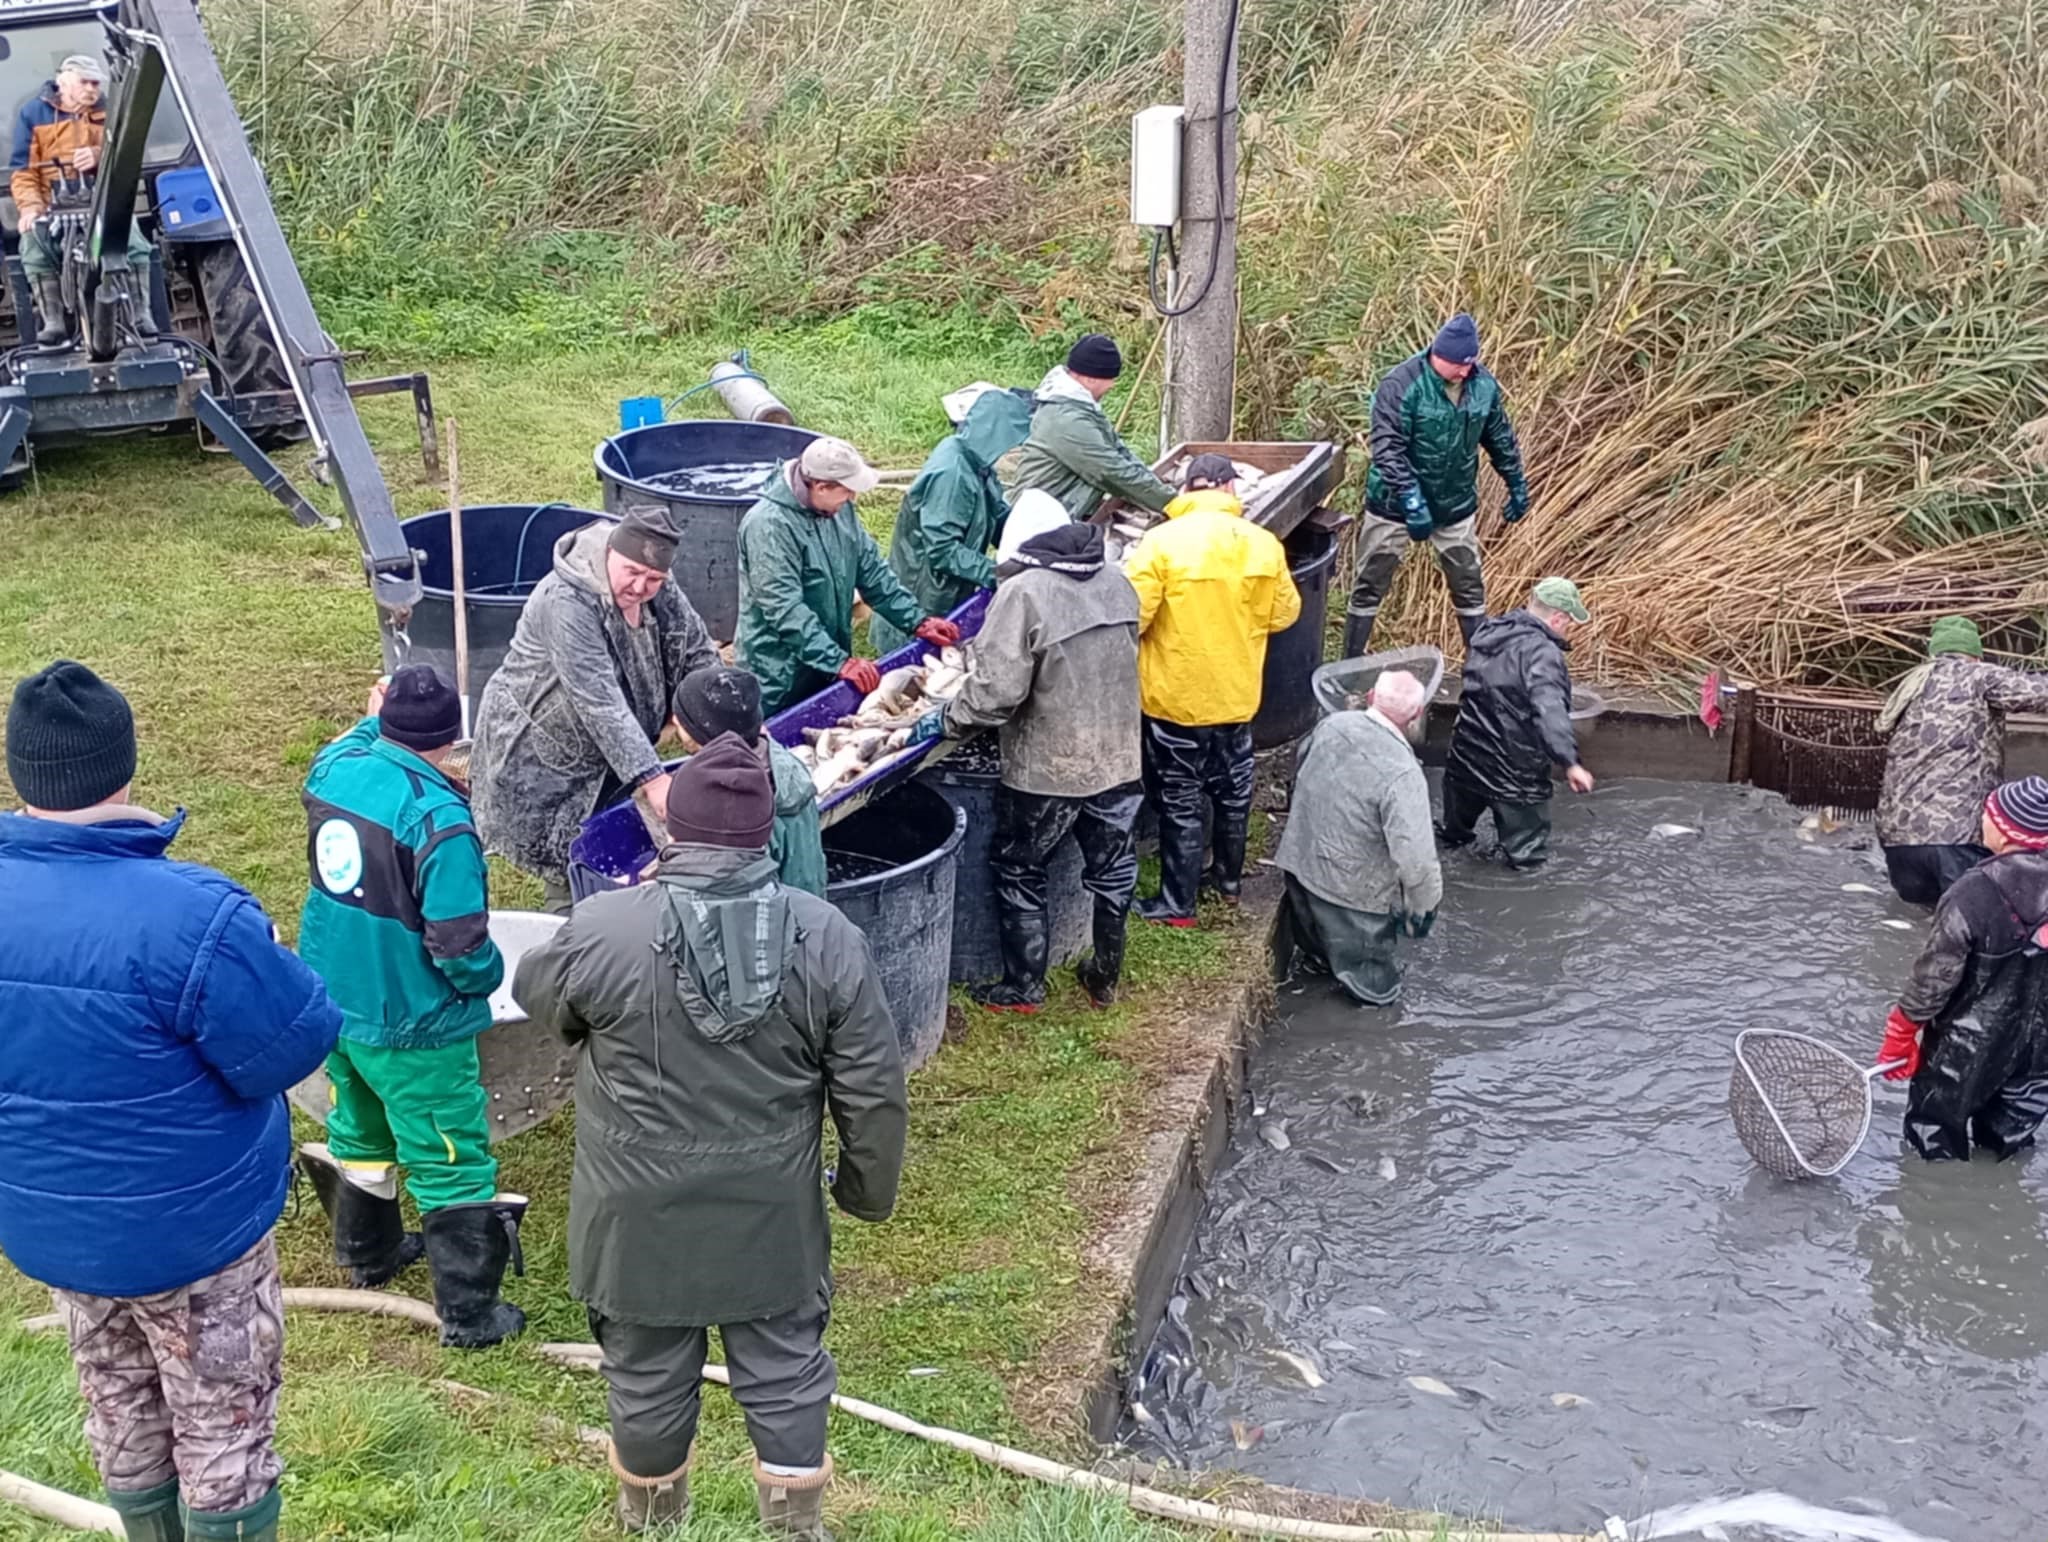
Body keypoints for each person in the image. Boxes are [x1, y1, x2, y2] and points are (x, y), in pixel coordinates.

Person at [512, 736, 907, 1539]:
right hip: (770, 1209)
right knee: (788, 1371)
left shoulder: (604, 926)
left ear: (674, 831)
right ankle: (796, 1530)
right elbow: (872, 1088)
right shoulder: (826, 936)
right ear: (767, 835)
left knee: (647, 1376)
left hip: (635, 1212)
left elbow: (541, 999)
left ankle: (652, 1528)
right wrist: (866, 1193)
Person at [0, 662, 340, 1542]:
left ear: (20, 772)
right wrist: (264, 950)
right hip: (196, 1240)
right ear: (125, 762)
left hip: (55, 1230)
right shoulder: (194, 917)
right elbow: (294, 1047)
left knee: (117, 1403)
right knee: (223, 1429)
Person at [295, 665, 527, 1349]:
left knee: (360, 1126)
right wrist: (487, 978)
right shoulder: (441, 820)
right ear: (454, 740)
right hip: (412, 1021)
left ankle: (367, 1253)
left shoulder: (337, 765)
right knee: (449, 1153)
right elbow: (457, 944)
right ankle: (470, 1315)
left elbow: (359, 735)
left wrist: (378, 711)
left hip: (334, 996)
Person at [938, 488, 1145, 1010]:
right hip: (1119, 756)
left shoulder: (1024, 593)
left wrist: (948, 719)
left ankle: (1024, 987)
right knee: (1113, 868)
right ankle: (1104, 975)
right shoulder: (1118, 579)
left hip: (1048, 767)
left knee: (1019, 866)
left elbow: (996, 694)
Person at [471, 506, 718, 911]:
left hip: (619, 741)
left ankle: (613, 915)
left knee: (612, 834)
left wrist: (718, 716)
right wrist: (652, 779)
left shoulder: (659, 586)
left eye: (653, 579)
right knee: (566, 853)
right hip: (544, 749)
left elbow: (694, 648)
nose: (640, 586)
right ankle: (567, 934)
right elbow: (598, 699)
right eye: (632, 573)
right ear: (609, 555)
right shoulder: (566, 601)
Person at [1127, 453, 1300, 926]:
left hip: (1175, 697)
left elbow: (1136, 618)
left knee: (1180, 797)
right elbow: (1285, 614)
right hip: (1237, 695)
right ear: (1228, 489)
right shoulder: (1264, 544)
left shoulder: (1159, 543)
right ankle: (1227, 882)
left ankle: (1177, 903)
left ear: (1187, 491)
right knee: (1232, 790)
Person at [1877, 777, 2048, 1162]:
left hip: (1963, 1049)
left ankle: (1931, 1211)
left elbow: (1934, 978)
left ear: (2003, 832)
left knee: (1934, 1140)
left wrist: (1902, 1031)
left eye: (1988, 813)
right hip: (2039, 1052)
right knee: (2010, 1142)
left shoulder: (1973, 892)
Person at [1343, 313, 1529, 656]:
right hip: (1393, 507)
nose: (1465, 371)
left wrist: (1516, 481)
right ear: (1438, 355)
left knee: (1469, 585)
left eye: (1471, 364)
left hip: (1454, 506)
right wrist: (1412, 500)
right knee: (1370, 583)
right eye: (1459, 364)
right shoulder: (1401, 384)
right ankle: (1349, 664)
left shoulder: (1482, 386)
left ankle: (1478, 670)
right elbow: (1387, 449)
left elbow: (1500, 437)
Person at [735, 435, 961, 713]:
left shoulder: (840, 511)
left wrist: (916, 619)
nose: (853, 497)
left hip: (826, 650)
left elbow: (872, 572)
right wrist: (837, 661)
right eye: (846, 490)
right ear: (820, 486)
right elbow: (784, 609)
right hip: (777, 669)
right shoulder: (768, 527)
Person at [1273, 670, 1442, 1006]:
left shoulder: (1332, 725)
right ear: (1417, 715)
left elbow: (1300, 772)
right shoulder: (1403, 774)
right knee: (1373, 991)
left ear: (1370, 698)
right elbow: (1417, 862)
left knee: (1317, 958)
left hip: (1299, 867)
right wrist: (1422, 910)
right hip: (1352, 901)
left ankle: (1316, 976)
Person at [1876, 614, 2048, 907]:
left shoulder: (1912, 684)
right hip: (1955, 838)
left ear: (1934, 652)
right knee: (1974, 929)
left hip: (1897, 842)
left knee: (1924, 924)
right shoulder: (1979, 676)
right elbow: (2041, 693)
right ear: (1975, 655)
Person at [1438, 577, 1596, 869]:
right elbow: (1550, 711)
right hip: (1515, 774)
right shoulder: (1543, 654)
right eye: (1570, 621)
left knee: (1452, 839)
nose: (1570, 627)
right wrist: (1570, 762)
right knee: (1528, 860)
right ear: (1558, 618)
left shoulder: (1489, 631)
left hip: (1465, 759)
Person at [870, 386, 1035, 655]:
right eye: (1012, 443)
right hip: (925, 589)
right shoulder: (953, 476)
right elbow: (943, 551)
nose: (1015, 450)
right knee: (913, 658)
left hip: (948, 586)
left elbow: (997, 512)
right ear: (994, 436)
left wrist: (1035, 543)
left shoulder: (977, 461)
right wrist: (998, 574)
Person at [9, 54, 156, 347]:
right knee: (33, 244)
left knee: (133, 239)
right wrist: (30, 207)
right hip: (54, 204)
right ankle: (53, 320)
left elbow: (133, 158)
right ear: (63, 82)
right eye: (85, 82)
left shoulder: (114, 113)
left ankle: (140, 314)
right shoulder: (33, 114)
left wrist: (100, 156)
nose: (92, 89)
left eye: (96, 83)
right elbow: (24, 170)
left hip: (103, 200)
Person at [672, 663, 827, 897]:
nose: (675, 722)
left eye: (681, 721)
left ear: (702, 732)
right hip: (811, 905)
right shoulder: (786, 764)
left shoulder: (732, 804)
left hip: (772, 922)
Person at [1011, 333, 1176, 521]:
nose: (1112, 385)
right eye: (1111, 379)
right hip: (1039, 522)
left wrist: (1155, 483)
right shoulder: (1067, 420)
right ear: (1091, 379)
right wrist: (1172, 503)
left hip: (1065, 507)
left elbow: (1119, 452)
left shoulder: (1079, 405)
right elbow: (1110, 471)